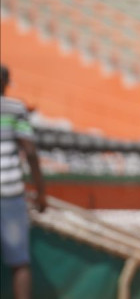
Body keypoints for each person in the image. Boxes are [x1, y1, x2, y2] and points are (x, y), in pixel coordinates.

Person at [1, 64, 47, 299]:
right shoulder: (14, 109)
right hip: (9, 194)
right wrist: (41, 193)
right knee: (19, 262)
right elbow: (29, 151)